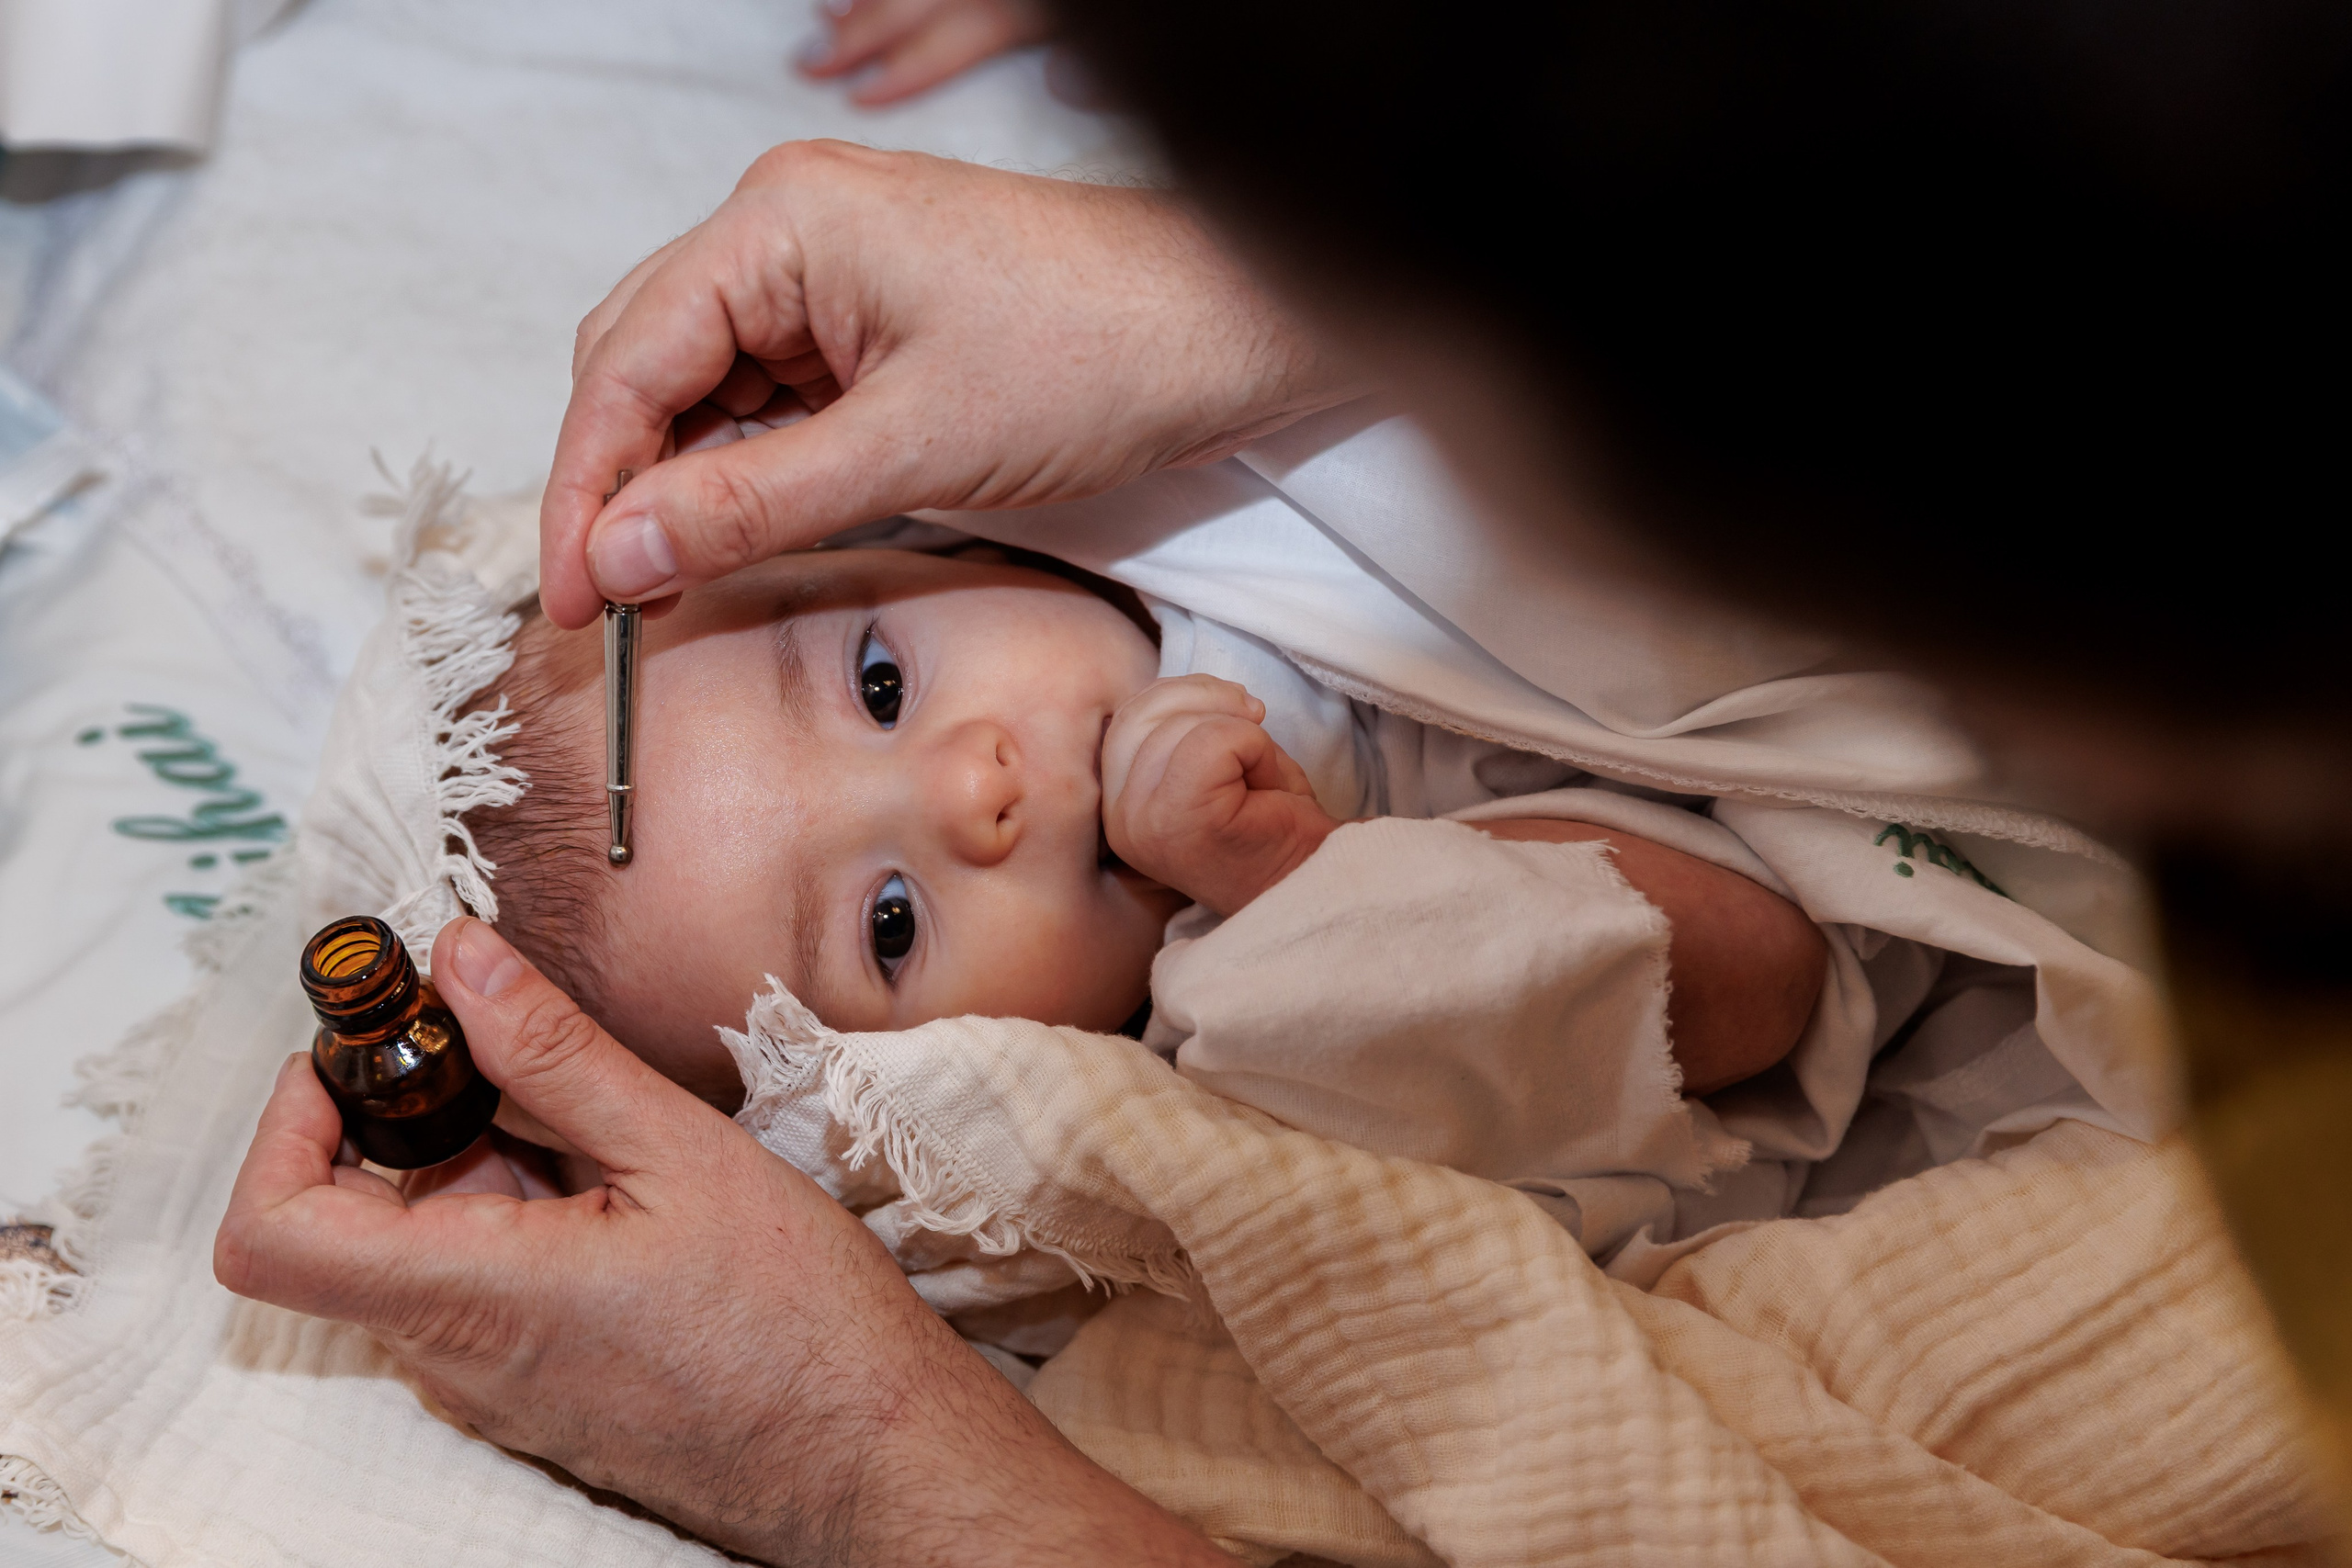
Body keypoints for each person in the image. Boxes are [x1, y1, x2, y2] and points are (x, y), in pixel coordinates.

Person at [216, 2, 2352, 1558]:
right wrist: (1318, 890)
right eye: (889, 925)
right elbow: (1763, 980)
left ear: (914, 530)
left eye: (874, 675)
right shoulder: (1256, 1049)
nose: (969, 786)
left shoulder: (1209, 526)